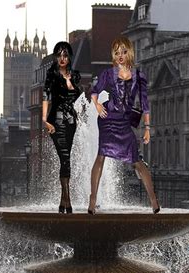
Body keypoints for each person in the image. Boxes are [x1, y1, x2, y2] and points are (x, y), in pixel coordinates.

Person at [88, 36, 159, 214]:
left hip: (124, 121)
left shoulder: (139, 76)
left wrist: (148, 128)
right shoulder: (107, 74)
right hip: (107, 118)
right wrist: (97, 105)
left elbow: (144, 104)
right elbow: (94, 92)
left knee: (136, 161)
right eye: (117, 52)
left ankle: (153, 200)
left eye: (124, 51)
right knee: (101, 156)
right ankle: (92, 199)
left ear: (130, 53)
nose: (120, 55)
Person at [42, 41, 83, 214]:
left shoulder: (74, 75)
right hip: (56, 120)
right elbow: (46, 96)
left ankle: (62, 200)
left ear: (70, 57)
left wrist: (68, 81)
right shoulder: (51, 75)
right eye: (59, 55)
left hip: (71, 121)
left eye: (65, 55)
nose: (62, 58)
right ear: (55, 57)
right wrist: (45, 120)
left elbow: (76, 94)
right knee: (64, 156)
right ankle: (68, 200)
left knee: (65, 160)